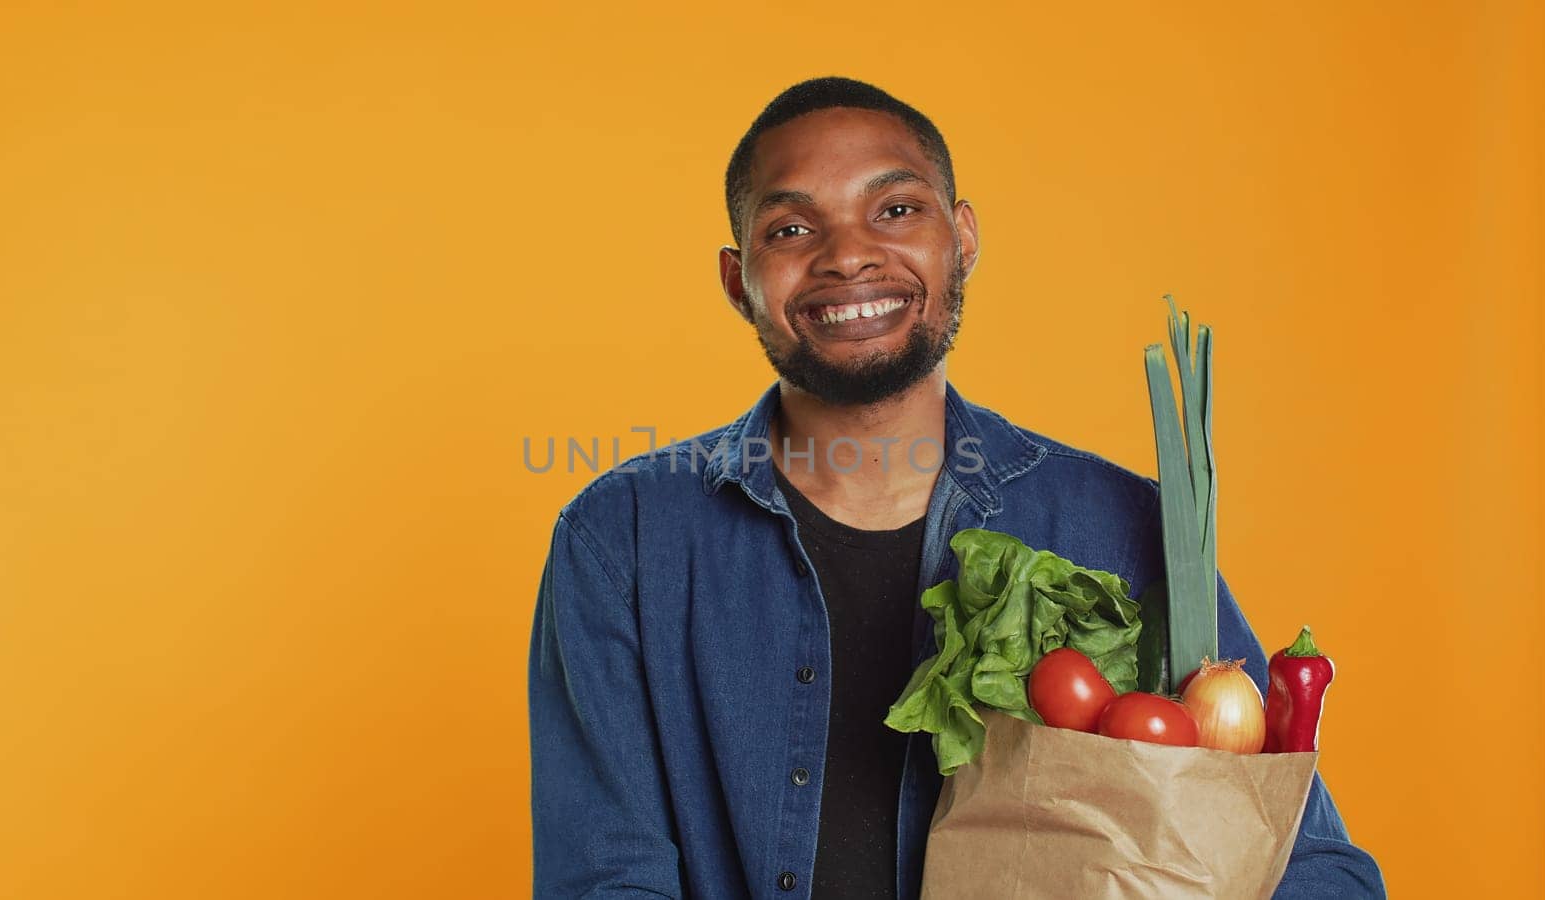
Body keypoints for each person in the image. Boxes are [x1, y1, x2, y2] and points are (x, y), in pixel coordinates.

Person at [527, 76, 1385, 899]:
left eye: (895, 210)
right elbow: (605, 878)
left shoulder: (1125, 527)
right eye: (791, 229)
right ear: (736, 280)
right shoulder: (623, 539)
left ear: (962, 238)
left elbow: (1309, 867)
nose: (850, 255)